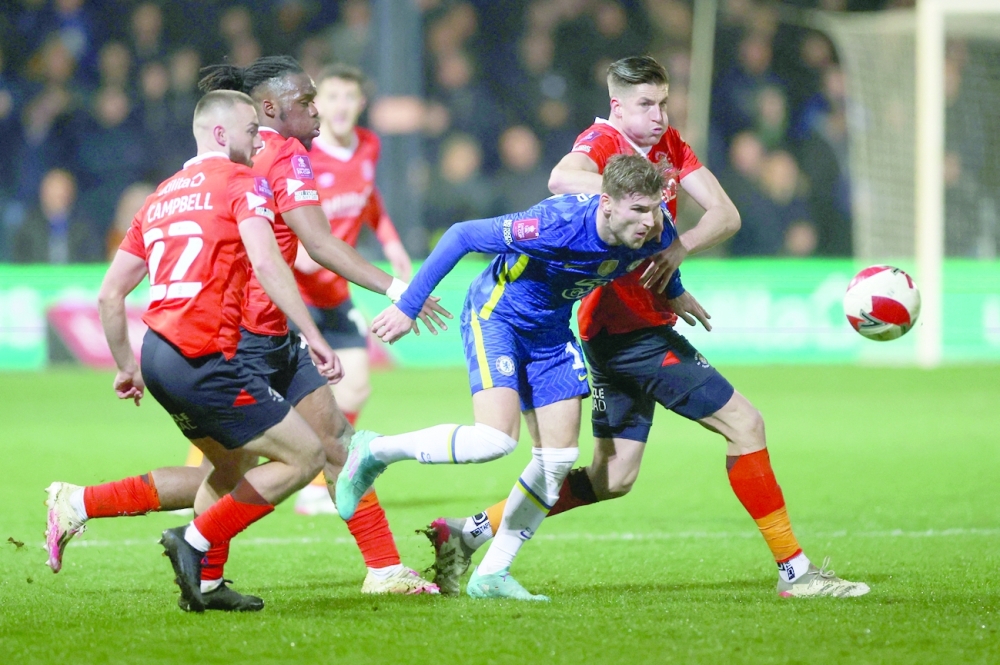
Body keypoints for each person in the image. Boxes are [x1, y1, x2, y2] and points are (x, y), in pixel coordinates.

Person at [423, 55, 870, 599]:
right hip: (627, 329)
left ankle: (467, 533)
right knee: (745, 425)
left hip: (626, 328)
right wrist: (625, 196)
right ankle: (796, 574)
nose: (658, 115)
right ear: (617, 105)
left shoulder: (672, 146)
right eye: (646, 105)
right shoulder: (604, 143)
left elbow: (727, 216)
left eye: (663, 103)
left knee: (613, 479)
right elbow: (561, 176)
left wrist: (674, 250)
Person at [45, 56, 448, 601]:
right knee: (270, 465)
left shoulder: (199, 174)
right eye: (306, 102)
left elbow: (118, 287)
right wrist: (402, 290)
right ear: (267, 109)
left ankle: (374, 568)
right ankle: (194, 552)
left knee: (313, 449)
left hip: (255, 333)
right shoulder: (282, 155)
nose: (317, 112)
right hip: (248, 337)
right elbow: (317, 244)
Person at [337, 154, 709, 601]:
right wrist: (409, 305)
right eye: (639, 210)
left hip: (550, 333)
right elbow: (461, 236)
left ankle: (492, 575)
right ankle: (373, 451)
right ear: (606, 202)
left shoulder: (655, 226)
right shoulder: (557, 224)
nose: (650, 221)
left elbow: (658, 254)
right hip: (497, 317)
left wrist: (677, 293)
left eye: (654, 209)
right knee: (495, 441)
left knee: (557, 459)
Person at [71, 89, 338, 612]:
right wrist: (313, 330)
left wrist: (127, 366)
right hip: (205, 355)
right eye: (250, 130)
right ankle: (192, 542)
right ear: (220, 134)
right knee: (306, 455)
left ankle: (208, 588)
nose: (259, 138)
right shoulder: (244, 183)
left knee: (227, 467)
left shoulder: (161, 195)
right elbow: (266, 263)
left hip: (158, 356)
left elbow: (109, 294)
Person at [290, 63, 413, 516]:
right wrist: (296, 251)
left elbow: (369, 198)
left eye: (349, 97)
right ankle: (205, 480)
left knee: (356, 386)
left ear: (361, 104)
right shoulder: (300, 155)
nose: (340, 106)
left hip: (335, 291)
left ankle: (322, 481)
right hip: (294, 295)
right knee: (258, 395)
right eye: (332, 97)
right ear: (317, 104)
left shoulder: (369, 146)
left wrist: (391, 240)